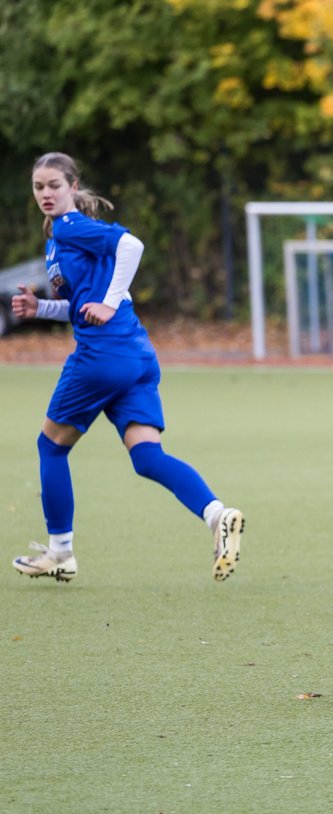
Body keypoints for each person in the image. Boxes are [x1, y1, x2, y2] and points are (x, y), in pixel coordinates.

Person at [10, 153, 244, 584]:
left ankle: (60, 551)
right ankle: (217, 515)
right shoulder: (58, 239)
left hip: (102, 357)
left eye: (53, 186)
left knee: (51, 447)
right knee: (147, 456)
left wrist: (111, 300)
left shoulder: (72, 227)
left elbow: (131, 245)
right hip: (137, 355)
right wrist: (40, 307)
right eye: (38, 186)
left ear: (73, 186)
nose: (45, 193)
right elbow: (81, 307)